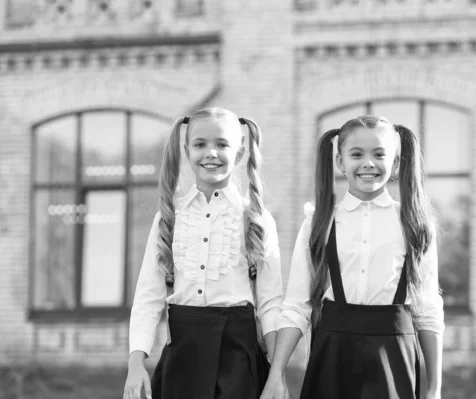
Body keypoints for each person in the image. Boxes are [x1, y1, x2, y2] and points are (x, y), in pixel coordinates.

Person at [261, 115, 444, 399]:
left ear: (395, 163)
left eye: (379, 154)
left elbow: (428, 311)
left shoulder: (414, 224)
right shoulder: (319, 223)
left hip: (394, 358)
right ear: (340, 162)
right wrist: (277, 375)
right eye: (356, 154)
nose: (368, 163)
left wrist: (433, 389)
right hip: (332, 356)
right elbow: (297, 306)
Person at [123, 107, 283, 399]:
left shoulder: (256, 219)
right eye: (200, 144)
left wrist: (277, 375)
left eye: (222, 144)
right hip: (181, 357)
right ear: (186, 150)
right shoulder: (169, 218)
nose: (211, 153)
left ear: (240, 152)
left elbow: (271, 303)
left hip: (239, 357)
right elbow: (148, 298)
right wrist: (136, 363)